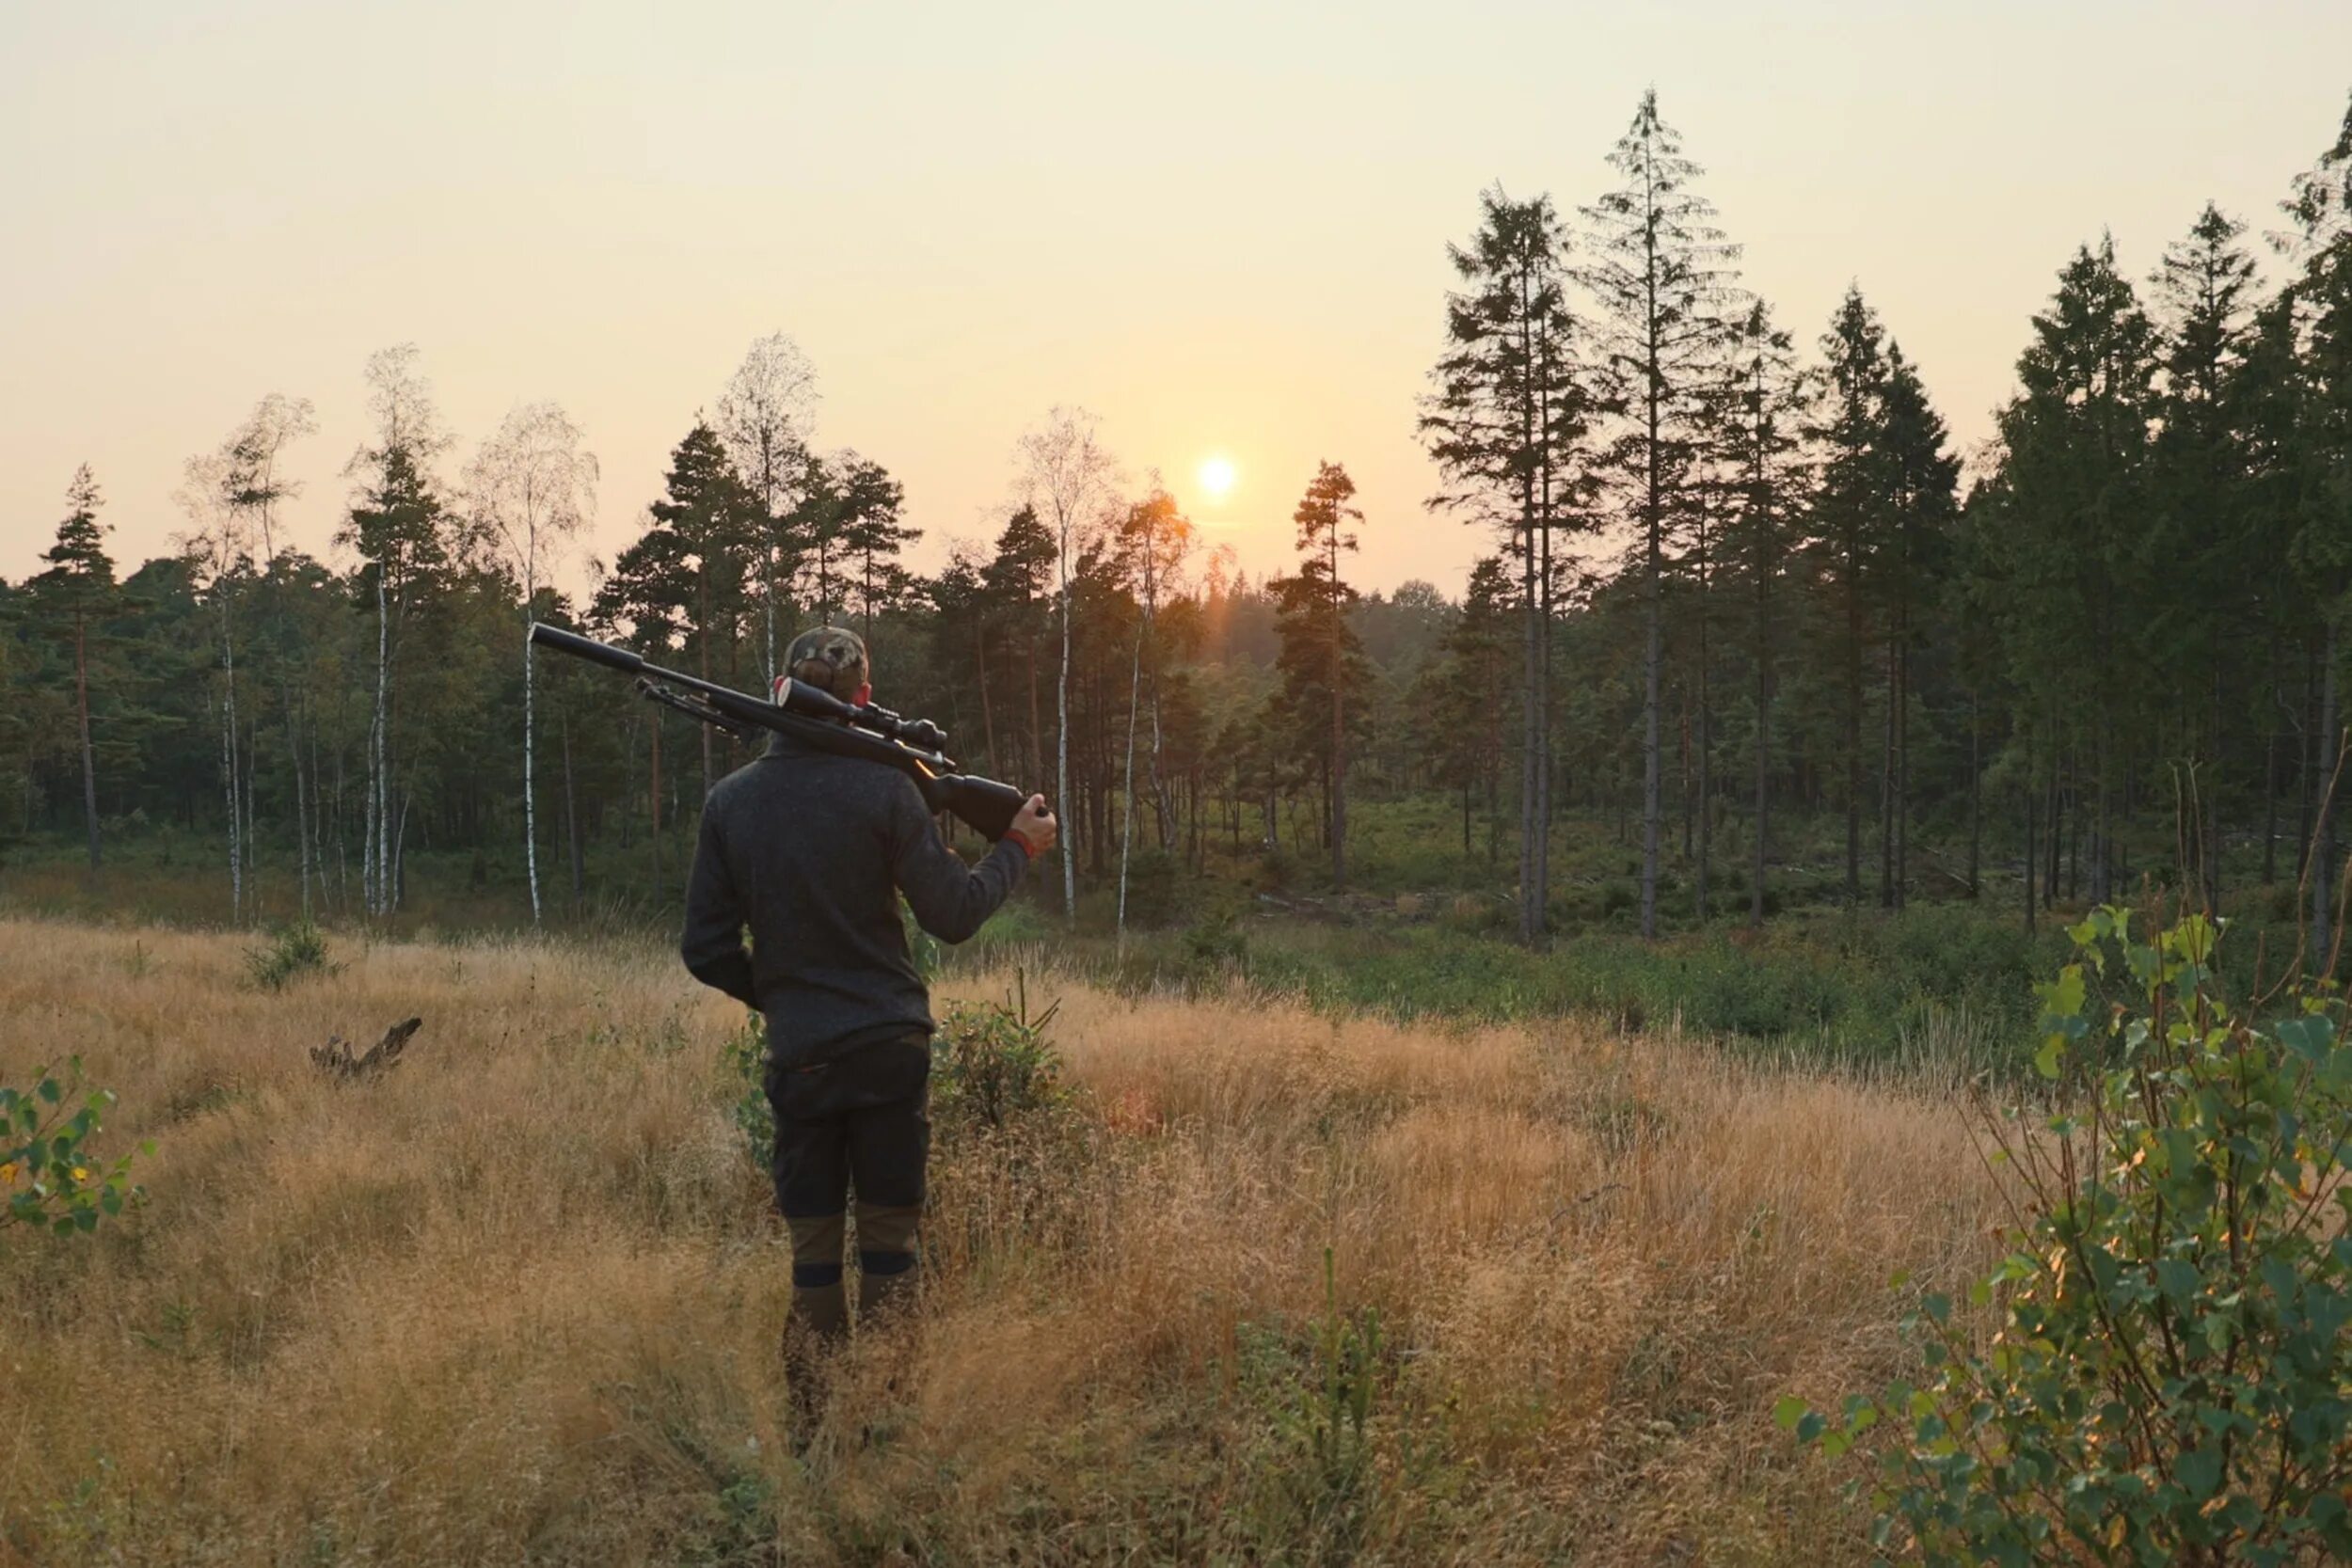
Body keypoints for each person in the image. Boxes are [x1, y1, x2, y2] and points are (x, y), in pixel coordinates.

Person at [679, 625, 1057, 1413]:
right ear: (863, 700)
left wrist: (783, 995)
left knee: (814, 1256)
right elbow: (952, 914)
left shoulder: (730, 802)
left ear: (785, 689)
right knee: (890, 1249)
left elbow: (706, 948)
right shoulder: (886, 788)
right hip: (889, 1051)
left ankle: (815, 1430)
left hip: (803, 1058)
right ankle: (888, 1426)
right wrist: (1016, 847)